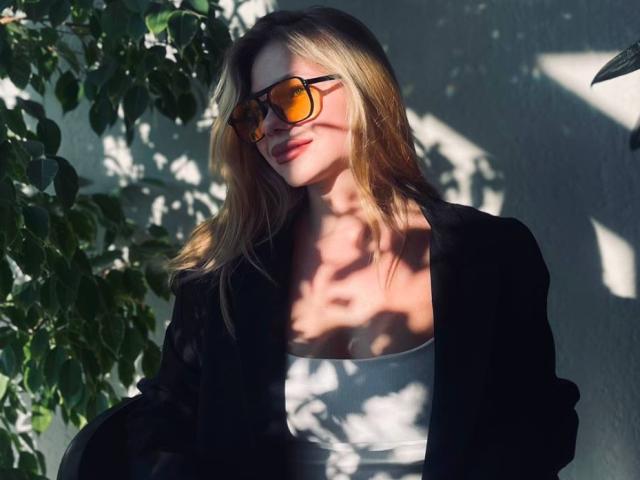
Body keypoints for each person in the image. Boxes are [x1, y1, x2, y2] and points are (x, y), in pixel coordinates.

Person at [122, 6, 580, 480]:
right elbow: (161, 420)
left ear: (362, 86)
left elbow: (541, 423)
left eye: (290, 96)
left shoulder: (492, 253)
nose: (271, 125)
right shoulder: (227, 273)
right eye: (254, 114)